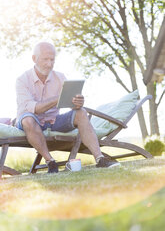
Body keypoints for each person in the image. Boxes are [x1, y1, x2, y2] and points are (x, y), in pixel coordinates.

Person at [16, 42, 120, 173]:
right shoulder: (22, 80)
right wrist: (58, 98)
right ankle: (51, 162)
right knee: (28, 120)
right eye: (45, 59)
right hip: (31, 121)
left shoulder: (60, 77)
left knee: (81, 112)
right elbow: (36, 109)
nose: (49, 64)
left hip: (54, 121)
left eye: (52, 59)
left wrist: (77, 102)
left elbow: (69, 103)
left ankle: (100, 159)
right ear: (34, 59)